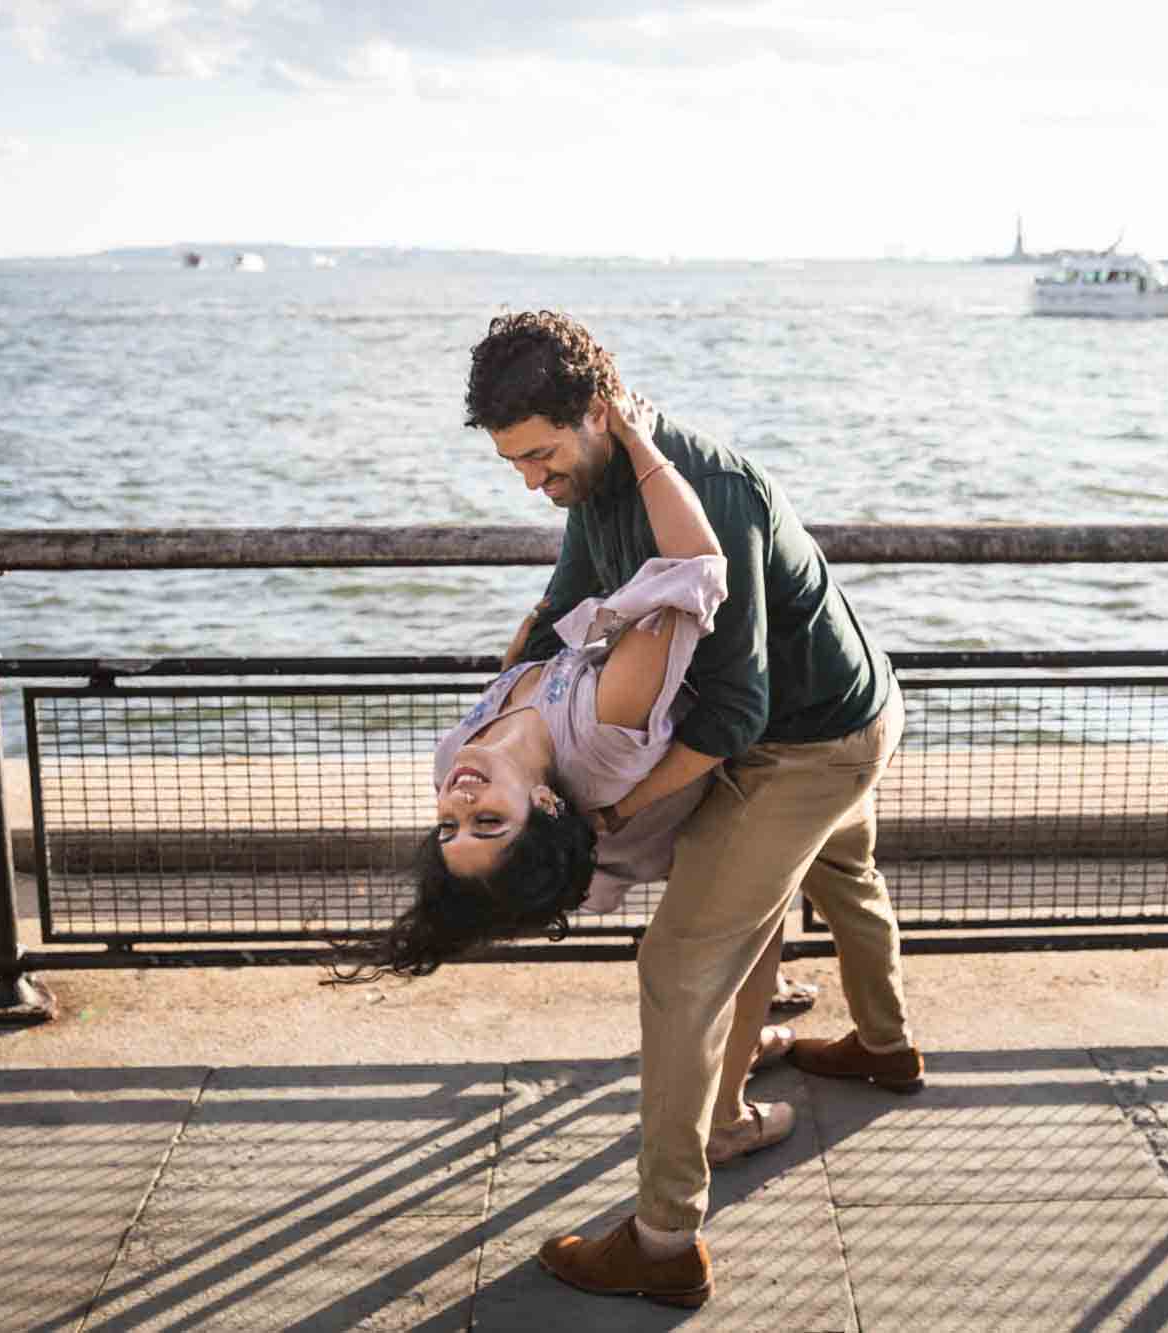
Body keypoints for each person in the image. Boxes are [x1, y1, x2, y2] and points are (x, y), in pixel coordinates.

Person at [466, 310, 920, 1309]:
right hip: (848, 699)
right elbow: (558, 611)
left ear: (596, 410)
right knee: (835, 878)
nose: (532, 484)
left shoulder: (703, 487)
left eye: (541, 457)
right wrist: (491, 721)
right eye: (513, 466)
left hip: (805, 743)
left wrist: (607, 812)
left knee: (680, 959)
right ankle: (884, 1050)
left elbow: (730, 717)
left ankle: (665, 1239)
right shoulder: (599, 481)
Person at [343, 392, 797, 1168]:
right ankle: (743, 1090)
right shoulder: (603, 727)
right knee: (747, 936)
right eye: (489, 821)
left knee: (819, 893)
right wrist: (639, 442)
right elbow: (692, 573)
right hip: (763, 757)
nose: (458, 802)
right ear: (547, 804)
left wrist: (543, 629)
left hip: (733, 763)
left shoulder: (457, 759)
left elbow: (540, 635)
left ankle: (792, 1035)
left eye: (449, 825)